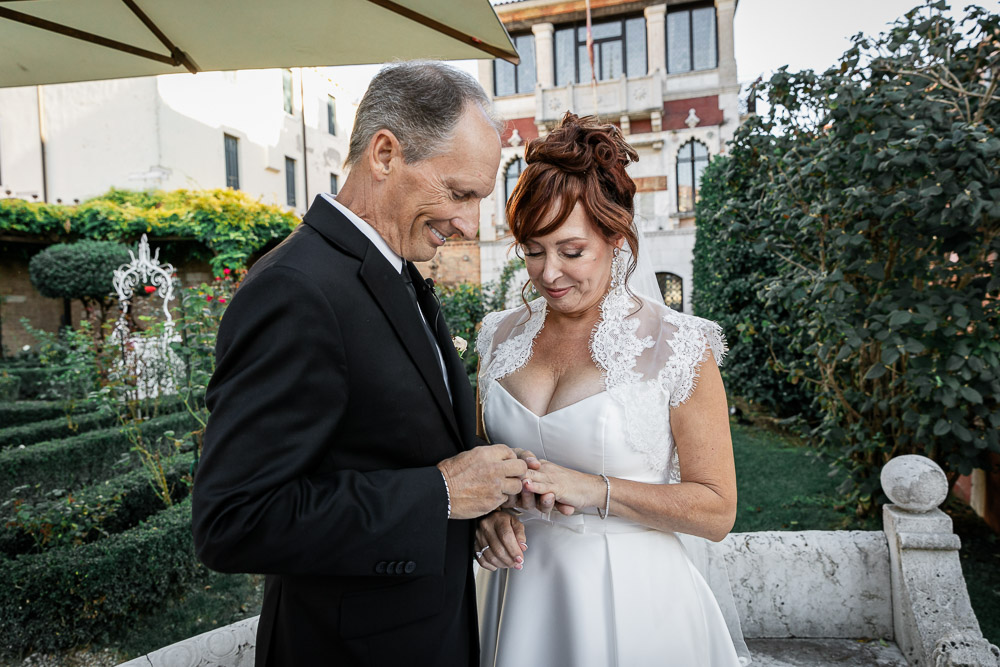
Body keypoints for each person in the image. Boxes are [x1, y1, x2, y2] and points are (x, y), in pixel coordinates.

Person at [191, 61, 530, 667]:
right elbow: (234, 519)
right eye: (459, 194)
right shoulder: (296, 289)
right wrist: (441, 495)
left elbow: (390, 436)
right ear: (383, 154)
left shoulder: (391, 266)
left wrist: (483, 497)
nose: (469, 223)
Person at [474, 113, 751, 666]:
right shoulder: (496, 334)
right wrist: (488, 516)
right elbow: (480, 458)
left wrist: (594, 489)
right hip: (518, 596)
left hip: (631, 602)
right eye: (533, 249)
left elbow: (717, 511)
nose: (548, 273)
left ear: (615, 238)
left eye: (571, 251)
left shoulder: (680, 346)